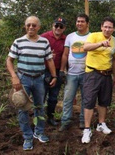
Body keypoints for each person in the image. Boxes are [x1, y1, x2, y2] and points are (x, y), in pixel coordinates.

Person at [6, 16, 57, 151]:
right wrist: (14, 77)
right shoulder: (19, 42)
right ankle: (27, 136)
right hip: (23, 80)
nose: (31, 27)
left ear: (38, 27)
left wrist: (54, 76)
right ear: (25, 26)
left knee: (39, 106)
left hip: (39, 79)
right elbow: (9, 60)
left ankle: (39, 132)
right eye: (28, 25)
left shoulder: (44, 42)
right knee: (22, 108)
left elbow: (50, 60)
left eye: (34, 25)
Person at [81, 16, 115, 144]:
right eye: (105, 26)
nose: (107, 29)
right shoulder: (94, 36)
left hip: (106, 75)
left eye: (110, 27)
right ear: (101, 27)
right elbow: (85, 47)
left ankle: (101, 124)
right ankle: (87, 129)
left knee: (104, 101)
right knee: (89, 101)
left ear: (114, 29)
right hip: (92, 73)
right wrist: (100, 44)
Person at [59, 14, 90, 131]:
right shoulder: (70, 37)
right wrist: (62, 70)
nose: (79, 24)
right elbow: (65, 54)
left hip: (86, 73)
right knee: (68, 98)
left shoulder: (91, 37)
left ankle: (83, 120)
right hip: (71, 73)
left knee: (85, 98)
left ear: (87, 23)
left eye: (82, 21)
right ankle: (65, 120)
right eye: (78, 21)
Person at [41, 17, 67, 126]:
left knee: (53, 96)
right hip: (43, 70)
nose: (58, 28)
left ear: (64, 28)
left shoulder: (66, 39)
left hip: (57, 71)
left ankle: (50, 117)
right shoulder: (44, 37)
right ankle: (39, 118)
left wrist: (62, 72)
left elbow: (66, 56)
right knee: (41, 95)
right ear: (53, 25)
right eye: (56, 25)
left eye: (61, 26)